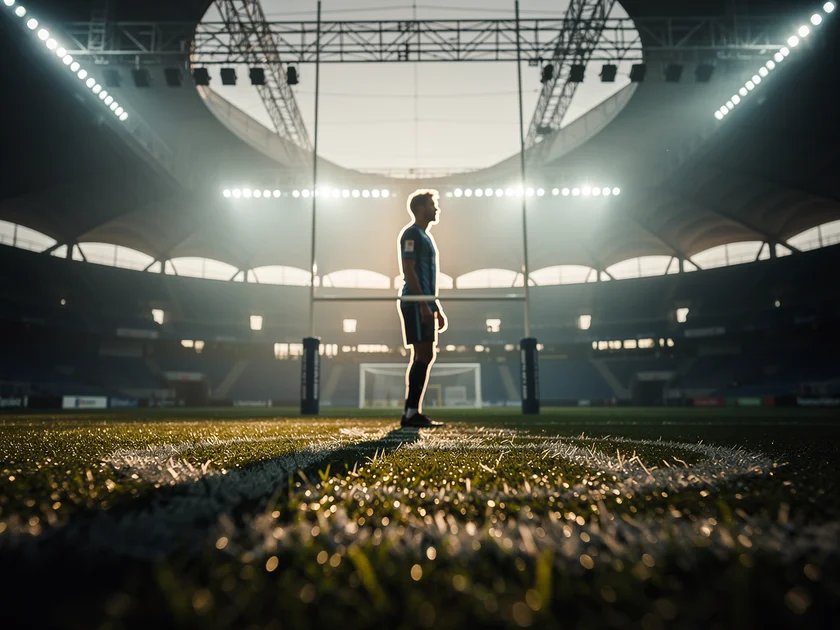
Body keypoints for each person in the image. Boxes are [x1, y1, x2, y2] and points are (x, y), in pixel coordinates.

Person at [397, 190, 447, 428]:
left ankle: (412, 412)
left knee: (425, 355)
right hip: (414, 302)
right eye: (431, 204)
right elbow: (409, 270)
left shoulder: (425, 236)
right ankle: (410, 413)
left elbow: (427, 278)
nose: (436, 209)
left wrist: (436, 306)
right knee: (423, 354)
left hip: (423, 302)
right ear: (420, 208)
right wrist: (423, 304)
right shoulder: (412, 234)